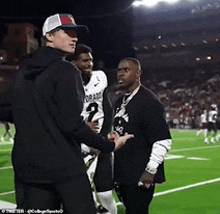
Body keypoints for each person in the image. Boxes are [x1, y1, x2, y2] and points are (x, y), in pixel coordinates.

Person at [0, 14, 133, 213]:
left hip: (27, 167)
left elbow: (5, 109)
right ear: (49, 36)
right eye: (68, 32)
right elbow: (72, 124)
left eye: (76, 33)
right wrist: (110, 145)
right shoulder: (65, 70)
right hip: (63, 168)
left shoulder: (22, 70)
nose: (75, 38)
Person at [113, 57, 172, 214]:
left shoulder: (149, 101)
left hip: (139, 173)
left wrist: (151, 170)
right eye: (119, 70)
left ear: (138, 73)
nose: (121, 74)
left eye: (126, 70)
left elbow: (163, 139)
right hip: (122, 171)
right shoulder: (119, 101)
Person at [68, 44, 117, 214]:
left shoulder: (100, 77)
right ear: (74, 63)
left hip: (100, 141)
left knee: (105, 193)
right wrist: (82, 126)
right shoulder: (66, 84)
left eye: (91, 60)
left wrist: (100, 140)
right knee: (79, 194)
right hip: (77, 143)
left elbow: (108, 109)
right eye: (84, 60)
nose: (89, 64)